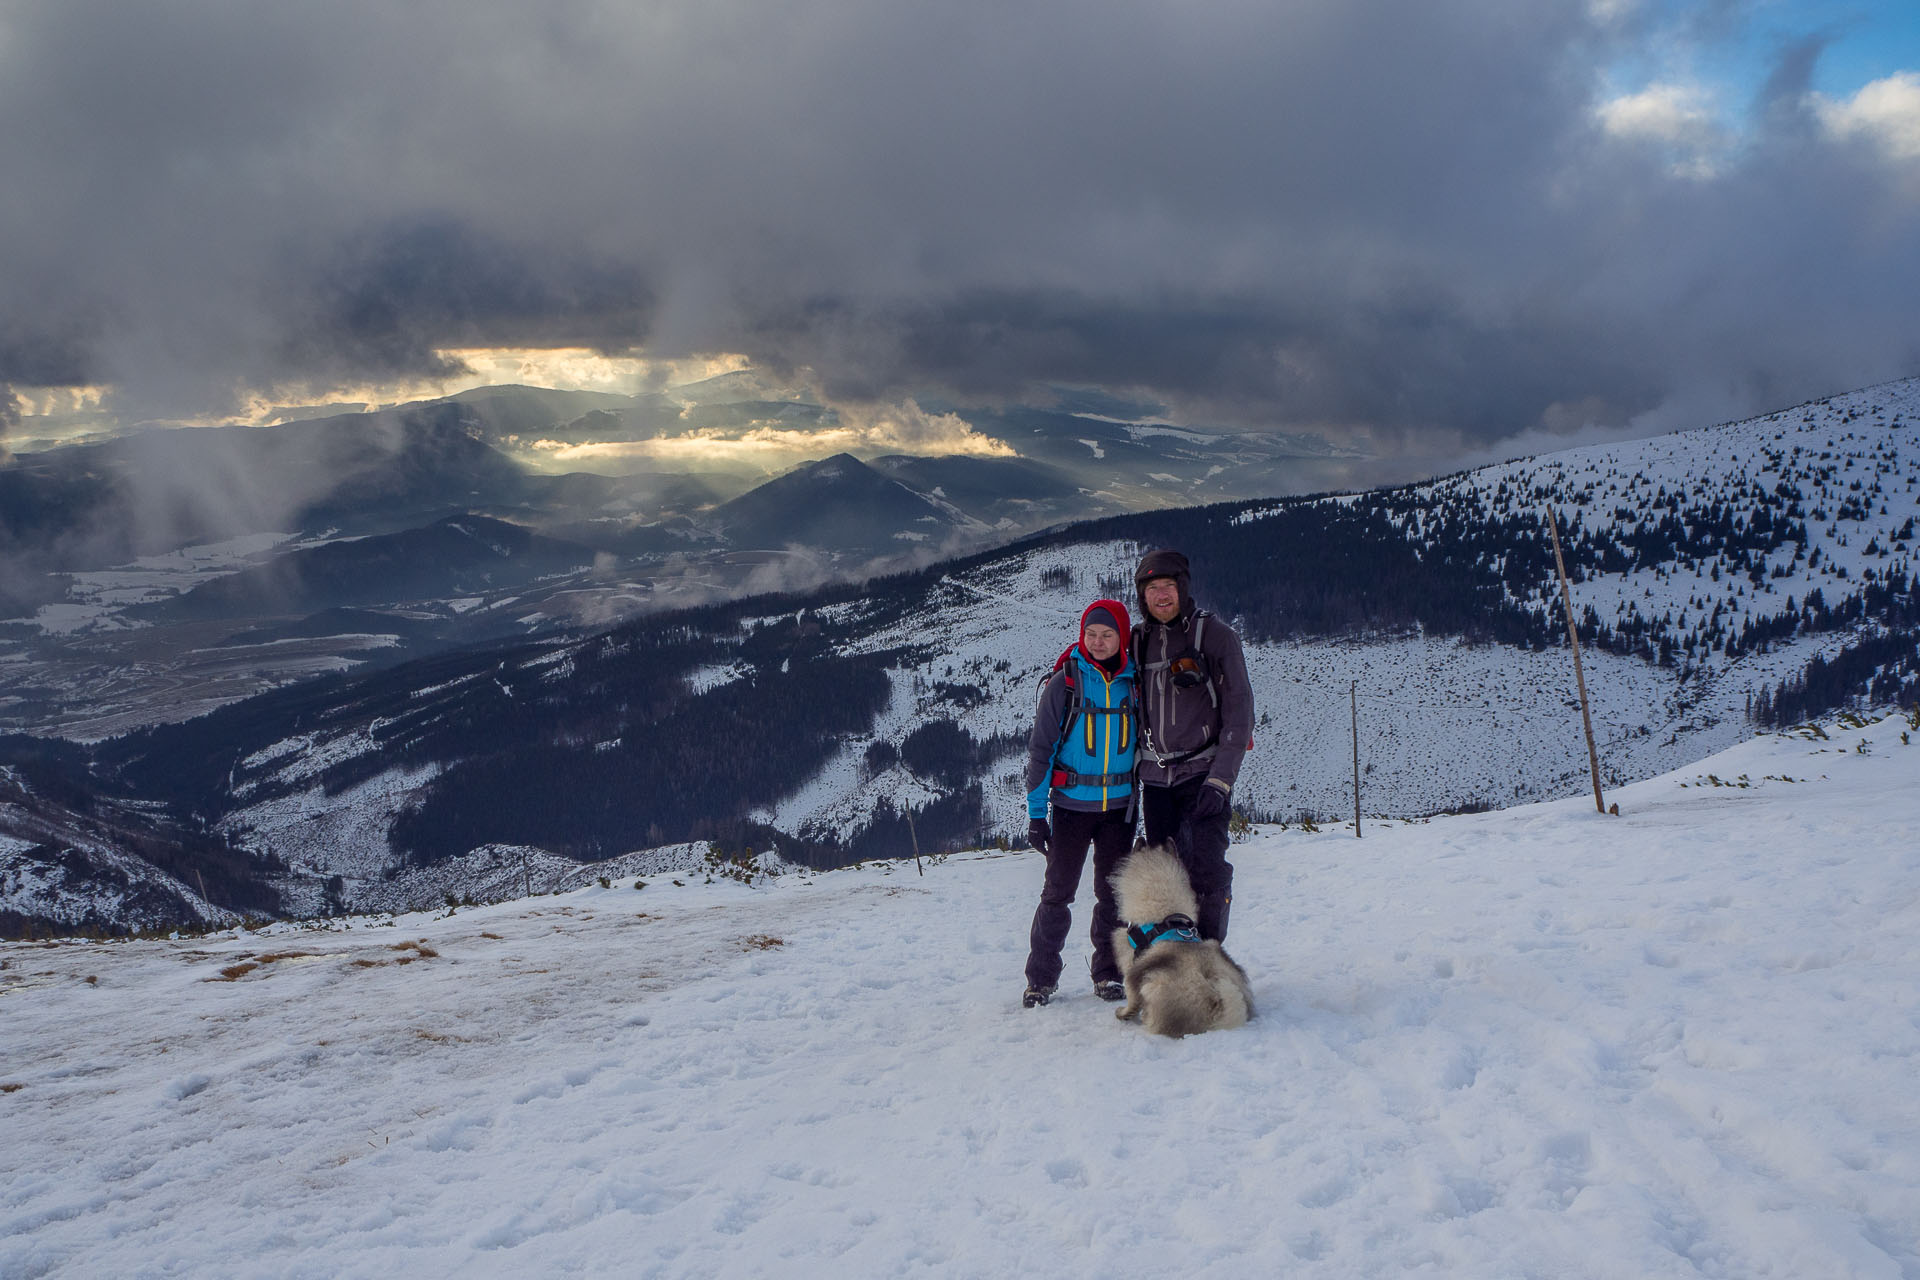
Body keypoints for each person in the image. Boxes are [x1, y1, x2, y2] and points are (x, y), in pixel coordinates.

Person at [1020, 598, 1140, 1008]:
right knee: (1057, 894)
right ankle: (1040, 980)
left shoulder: (1133, 682)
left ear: (1121, 636)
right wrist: (1038, 815)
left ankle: (1108, 974)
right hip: (1071, 807)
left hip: (1120, 810)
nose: (1098, 642)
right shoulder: (1066, 683)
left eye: (1107, 634)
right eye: (1091, 634)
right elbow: (1041, 752)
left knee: (1113, 898)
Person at [1131, 549, 1254, 943]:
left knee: (1207, 871)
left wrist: (1220, 782)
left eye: (1168, 586)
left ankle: (1211, 959)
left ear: (1183, 589)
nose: (1162, 595)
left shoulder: (1216, 637)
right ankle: (1176, 960)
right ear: (1142, 595)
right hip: (1155, 779)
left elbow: (1240, 715)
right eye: (1152, 588)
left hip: (1202, 774)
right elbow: (1094, 655)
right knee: (1167, 875)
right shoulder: (1137, 642)